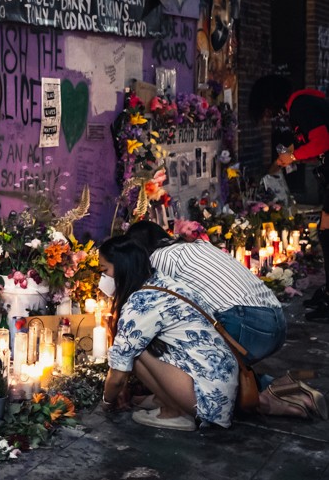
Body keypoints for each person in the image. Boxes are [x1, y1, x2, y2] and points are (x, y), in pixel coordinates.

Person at [125, 220, 327, 420]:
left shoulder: (158, 259)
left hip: (245, 321)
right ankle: (288, 388)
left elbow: (154, 311)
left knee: (201, 378)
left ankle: (270, 403)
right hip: (275, 320)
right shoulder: (197, 245)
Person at [99, 235, 239, 431]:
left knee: (134, 352)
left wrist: (106, 403)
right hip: (220, 388)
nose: (103, 279)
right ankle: (165, 399)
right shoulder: (163, 282)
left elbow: (119, 372)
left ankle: (173, 411)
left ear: (122, 267)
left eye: (104, 271)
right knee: (140, 344)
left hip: (208, 402)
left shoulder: (142, 303)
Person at [249, 75, 329, 322]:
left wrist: (293, 157)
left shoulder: (300, 106)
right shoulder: (304, 101)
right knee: (325, 231)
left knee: (327, 232)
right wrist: (292, 156)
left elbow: (322, 140)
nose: (270, 115)